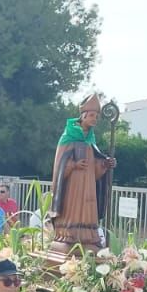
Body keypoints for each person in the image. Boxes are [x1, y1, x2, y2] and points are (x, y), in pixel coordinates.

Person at [46, 92, 116, 250]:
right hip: (73, 187)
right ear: (83, 116)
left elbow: (95, 167)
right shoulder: (68, 136)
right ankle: (68, 235)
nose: (94, 119)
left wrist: (105, 164)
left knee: (88, 211)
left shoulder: (91, 139)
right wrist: (74, 165)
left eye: (96, 117)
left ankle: (88, 238)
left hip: (88, 187)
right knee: (72, 211)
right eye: (92, 115)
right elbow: (59, 164)